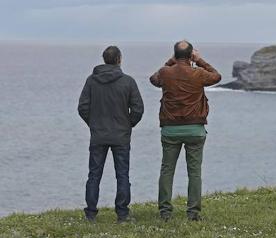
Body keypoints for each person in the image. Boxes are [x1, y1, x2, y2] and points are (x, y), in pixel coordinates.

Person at [150, 40, 221, 221]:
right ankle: (193, 213)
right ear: (190, 55)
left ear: (175, 55)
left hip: (170, 130)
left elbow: (153, 79)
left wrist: (170, 62)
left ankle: (165, 212)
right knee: (194, 172)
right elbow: (217, 76)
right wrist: (200, 60)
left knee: (167, 170)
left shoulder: (166, 73)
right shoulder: (199, 73)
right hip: (195, 130)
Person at [78, 46, 144, 223]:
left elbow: (83, 107)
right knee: (122, 175)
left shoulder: (92, 81)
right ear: (119, 59)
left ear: (104, 59)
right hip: (121, 136)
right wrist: (127, 125)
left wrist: (93, 124)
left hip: (98, 135)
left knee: (94, 175)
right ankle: (122, 214)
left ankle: (90, 214)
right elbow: (138, 109)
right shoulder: (128, 82)